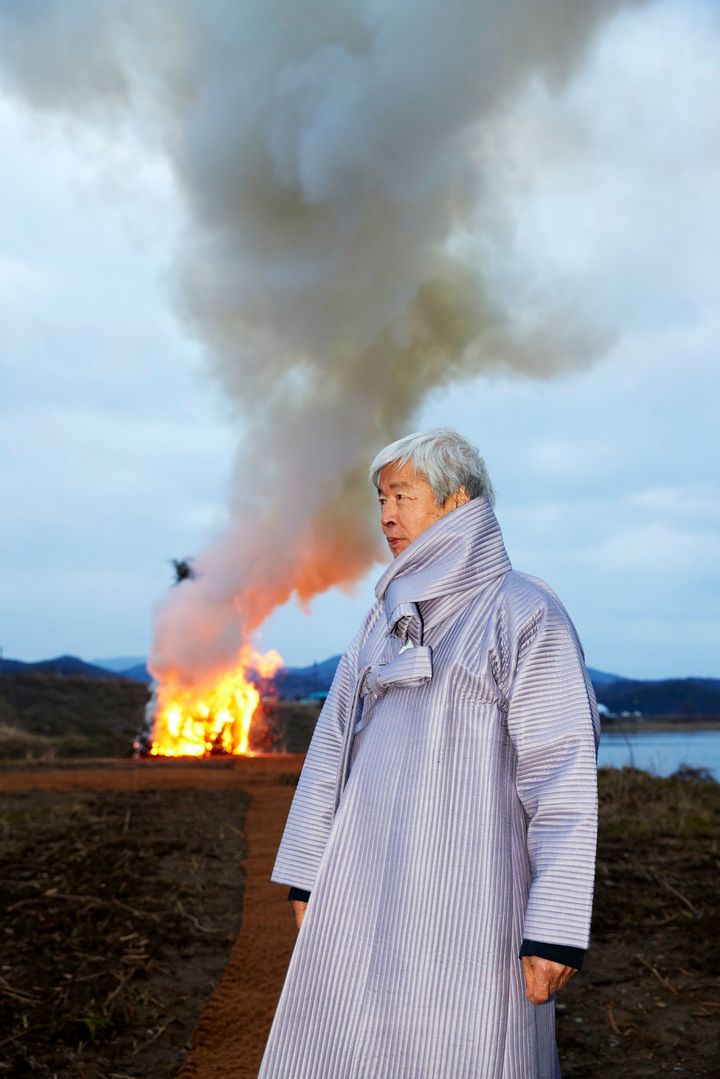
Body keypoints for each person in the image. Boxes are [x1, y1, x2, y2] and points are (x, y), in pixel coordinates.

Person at [259, 429, 599, 1079]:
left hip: (476, 889)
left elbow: (561, 773)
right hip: (365, 878)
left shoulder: (524, 611)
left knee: (471, 1045)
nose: (385, 514)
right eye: (380, 498)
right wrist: (309, 873)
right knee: (355, 1039)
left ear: (457, 502)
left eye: (402, 495)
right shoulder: (382, 619)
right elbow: (331, 744)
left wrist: (552, 927)